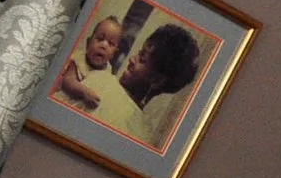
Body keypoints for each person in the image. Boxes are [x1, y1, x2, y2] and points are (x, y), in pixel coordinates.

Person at [78, 21, 206, 148]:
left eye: (142, 59)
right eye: (139, 53)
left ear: (156, 81)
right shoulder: (145, 139)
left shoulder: (101, 82)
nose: (132, 59)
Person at [54, 15, 126, 111]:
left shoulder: (108, 70)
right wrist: (84, 91)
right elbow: (67, 81)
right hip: (66, 101)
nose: (104, 45)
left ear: (114, 54)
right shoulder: (80, 60)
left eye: (111, 43)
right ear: (88, 43)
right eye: (100, 39)